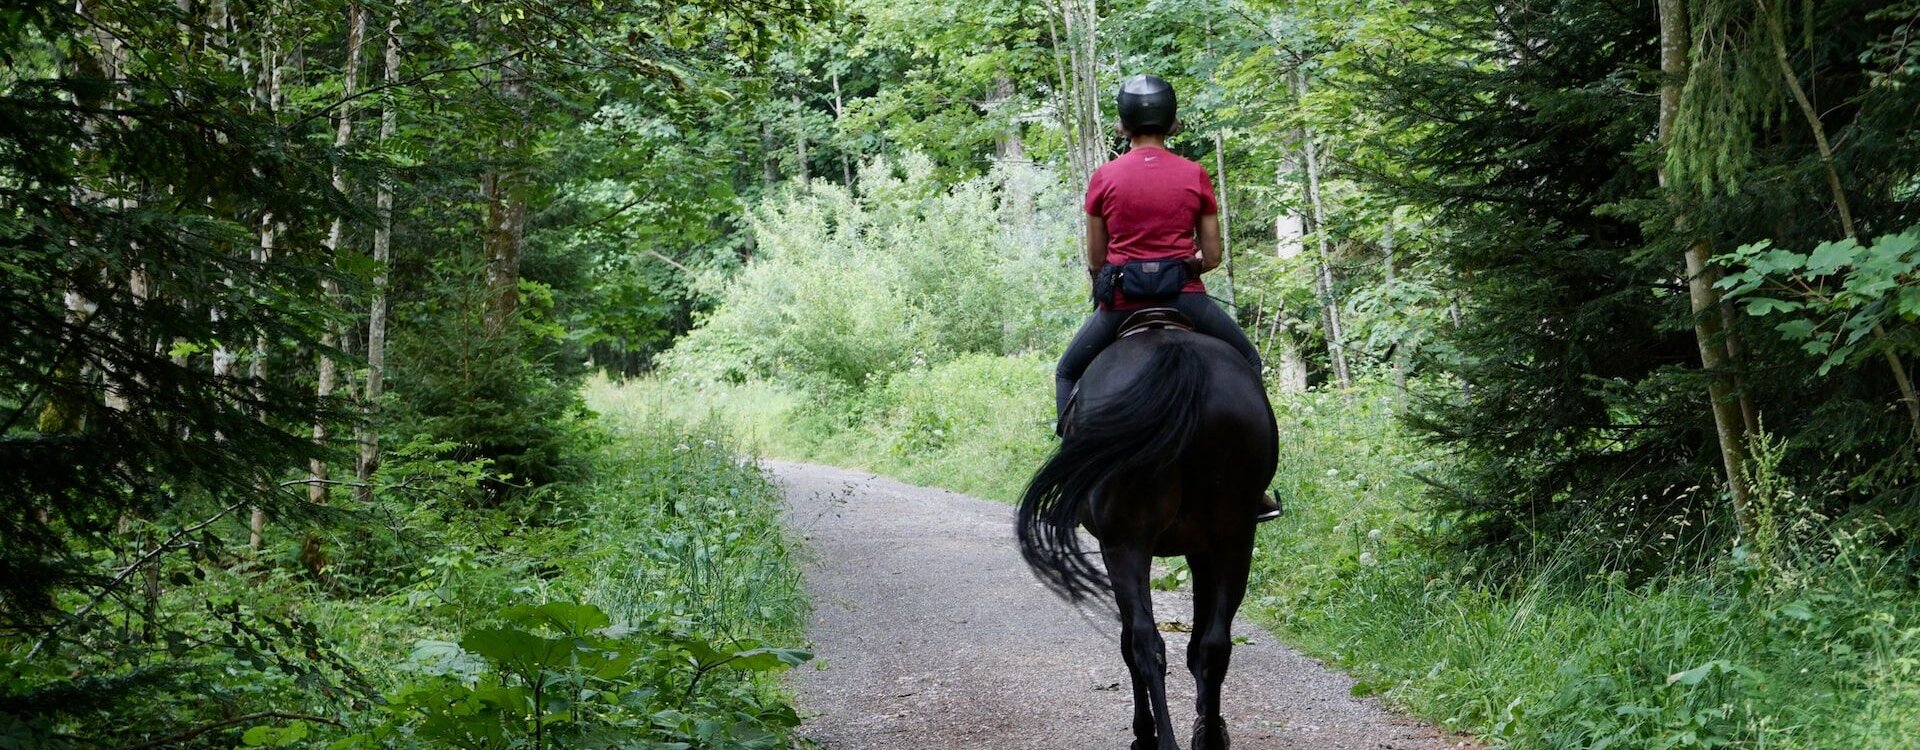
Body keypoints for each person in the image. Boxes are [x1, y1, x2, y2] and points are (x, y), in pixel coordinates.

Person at [1055, 74, 1281, 522]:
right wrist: (1183, 266)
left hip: (1122, 305)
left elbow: (1098, 259)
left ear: (1123, 124)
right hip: (1185, 298)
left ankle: (1075, 479)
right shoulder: (1193, 173)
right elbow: (1213, 254)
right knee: (1248, 362)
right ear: (1172, 122)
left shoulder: (1105, 177)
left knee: (1068, 371)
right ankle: (1254, 488)